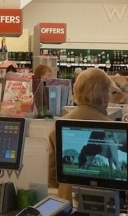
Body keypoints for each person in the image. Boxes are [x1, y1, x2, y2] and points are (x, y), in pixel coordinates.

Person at [49, 67, 114, 197]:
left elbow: (51, 174)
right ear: (104, 96)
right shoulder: (113, 129)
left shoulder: (59, 125)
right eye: (109, 91)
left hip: (67, 200)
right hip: (102, 203)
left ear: (76, 91)